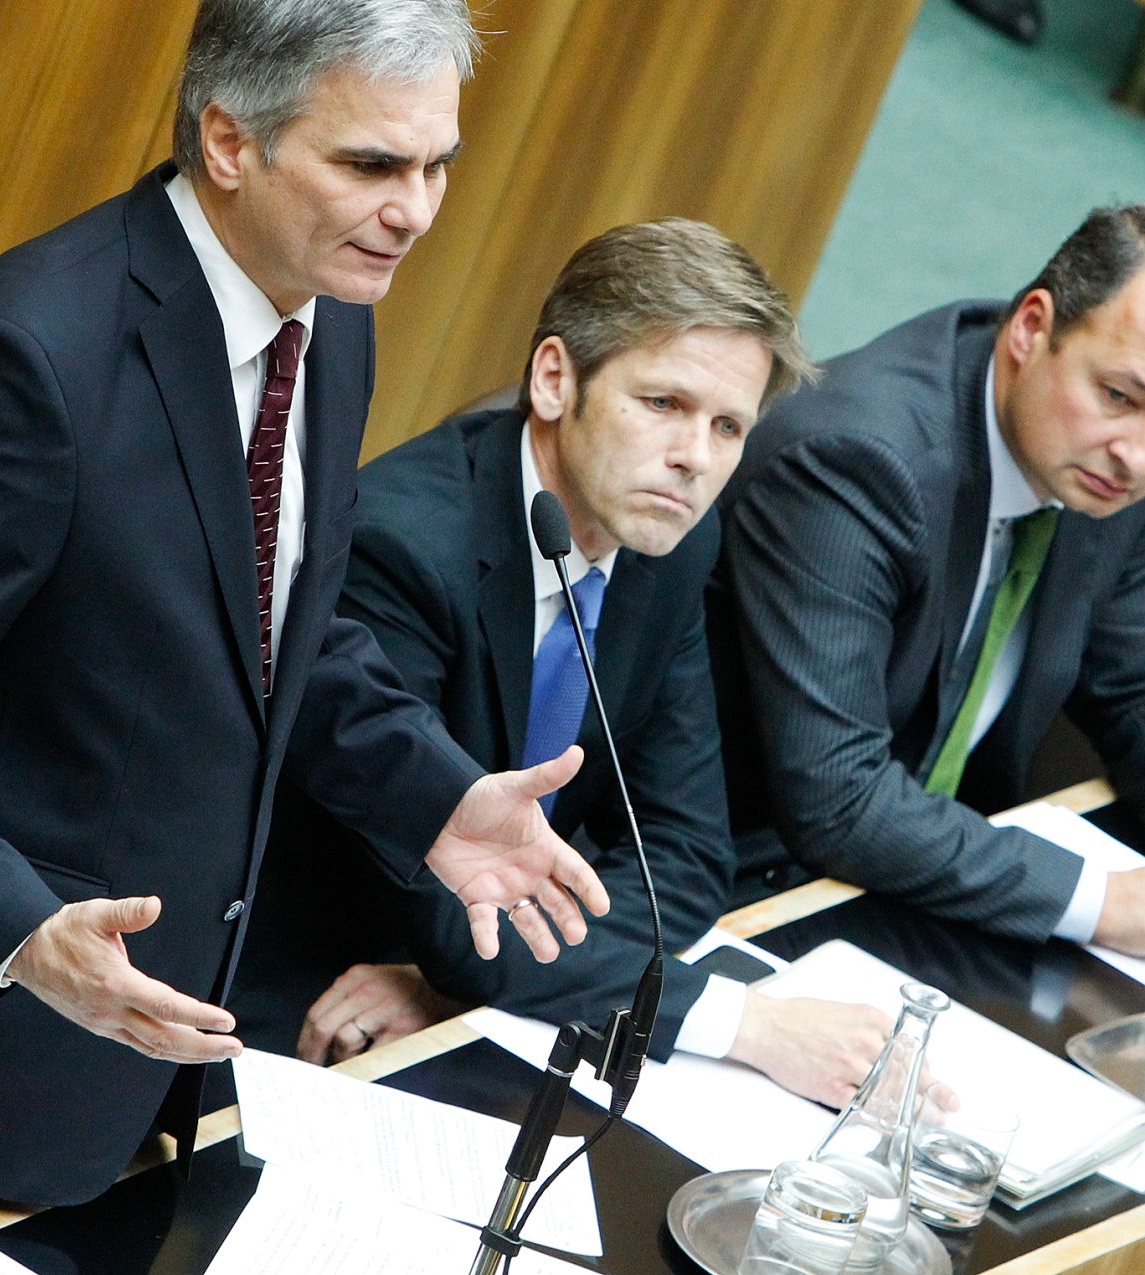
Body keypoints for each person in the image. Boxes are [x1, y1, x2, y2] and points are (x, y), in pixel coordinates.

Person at [0, 0, 609, 1275]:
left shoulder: (330, 313)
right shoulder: (26, 355)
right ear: (228, 141)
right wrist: (14, 926)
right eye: (371, 164)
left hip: (124, 1086)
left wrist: (433, 796)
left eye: (435, 166)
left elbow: (285, 630)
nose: (415, 208)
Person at [232, 220, 897, 1109]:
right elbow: (440, 891)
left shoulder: (664, 544)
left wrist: (476, 976)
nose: (695, 458)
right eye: (663, 404)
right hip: (299, 997)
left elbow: (685, 855)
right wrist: (747, 1027)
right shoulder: (402, 546)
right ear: (555, 379)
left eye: (728, 425)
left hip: (457, 988)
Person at [712, 205, 1145, 958]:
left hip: (940, 880)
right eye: (1120, 396)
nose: (1142, 455)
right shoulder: (852, 463)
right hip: (754, 893)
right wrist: (1108, 902)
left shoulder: (1099, 463)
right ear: (1030, 330)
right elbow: (839, 800)